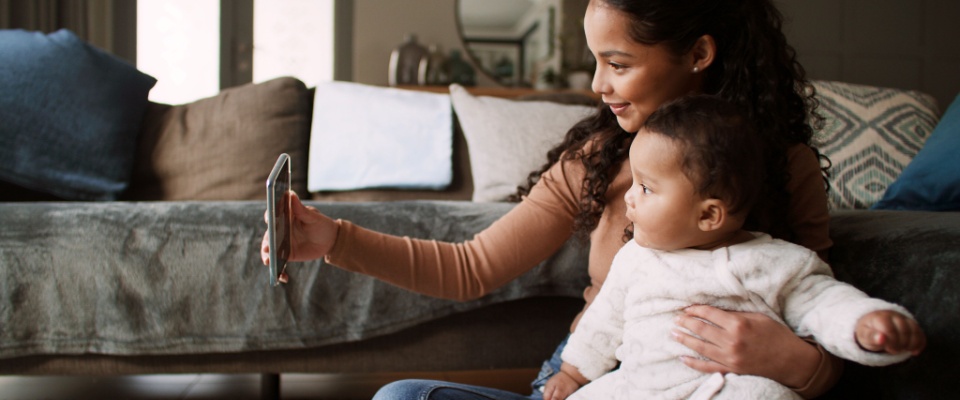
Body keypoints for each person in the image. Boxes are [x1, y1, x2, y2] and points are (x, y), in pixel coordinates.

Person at [261, 0, 845, 398]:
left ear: (698, 54)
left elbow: (827, 314)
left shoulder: (779, 167)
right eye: (596, 61)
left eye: (618, 63)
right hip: (590, 378)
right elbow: (472, 267)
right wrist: (333, 238)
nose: (597, 84)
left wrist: (797, 362)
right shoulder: (599, 157)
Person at [540, 95, 926, 400]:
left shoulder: (776, 263)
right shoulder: (636, 259)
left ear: (709, 215)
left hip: (724, 389)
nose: (630, 199)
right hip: (640, 387)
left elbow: (826, 305)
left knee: (764, 394)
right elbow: (604, 322)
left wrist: (865, 324)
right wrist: (574, 372)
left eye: (645, 187)